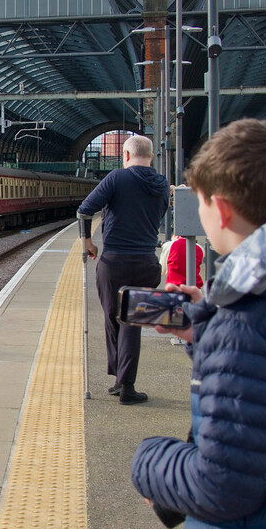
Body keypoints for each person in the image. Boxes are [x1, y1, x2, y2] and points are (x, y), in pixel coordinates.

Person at [131, 117, 266, 529]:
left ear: (221, 210)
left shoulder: (243, 327)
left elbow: (223, 487)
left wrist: (149, 461)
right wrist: (209, 331)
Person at [77, 135, 169, 405]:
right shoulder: (162, 185)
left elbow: (84, 211)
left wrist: (89, 243)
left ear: (126, 156)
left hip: (113, 262)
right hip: (145, 262)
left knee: (112, 317)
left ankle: (123, 381)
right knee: (133, 322)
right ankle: (124, 382)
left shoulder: (117, 178)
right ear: (151, 157)